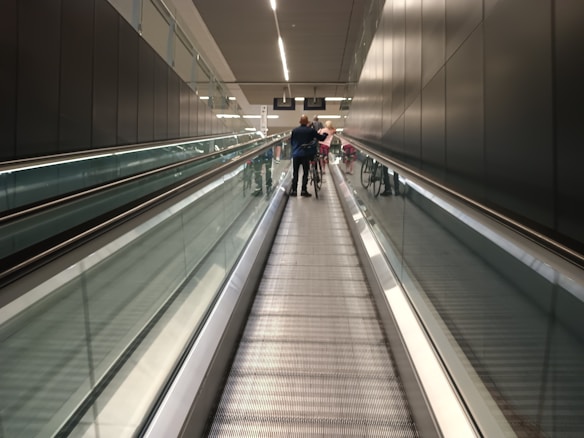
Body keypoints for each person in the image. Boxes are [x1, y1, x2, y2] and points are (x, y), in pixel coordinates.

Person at [290, 114, 328, 197]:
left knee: (295, 172)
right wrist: (325, 134)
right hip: (306, 154)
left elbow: (292, 142)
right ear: (307, 122)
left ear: (300, 122)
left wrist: (295, 149)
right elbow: (321, 138)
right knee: (305, 172)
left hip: (296, 154)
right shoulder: (310, 130)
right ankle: (303, 190)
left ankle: (294, 190)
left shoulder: (295, 130)